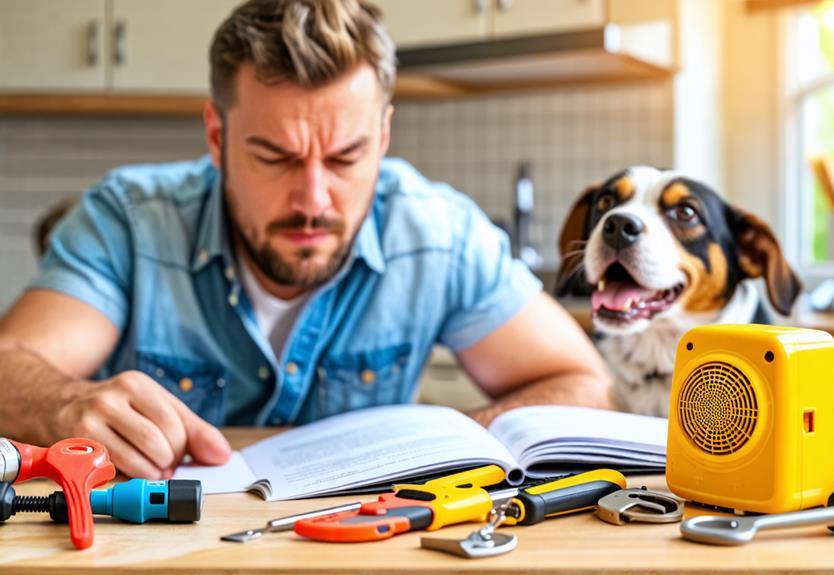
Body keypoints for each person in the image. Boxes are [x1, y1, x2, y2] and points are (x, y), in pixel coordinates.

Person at [0, 0, 610, 479]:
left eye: (347, 156)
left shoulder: (439, 232)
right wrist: (62, 404)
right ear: (217, 136)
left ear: (384, 135)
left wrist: (462, 434)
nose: (314, 200)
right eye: (274, 156)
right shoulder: (127, 221)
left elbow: (586, 385)